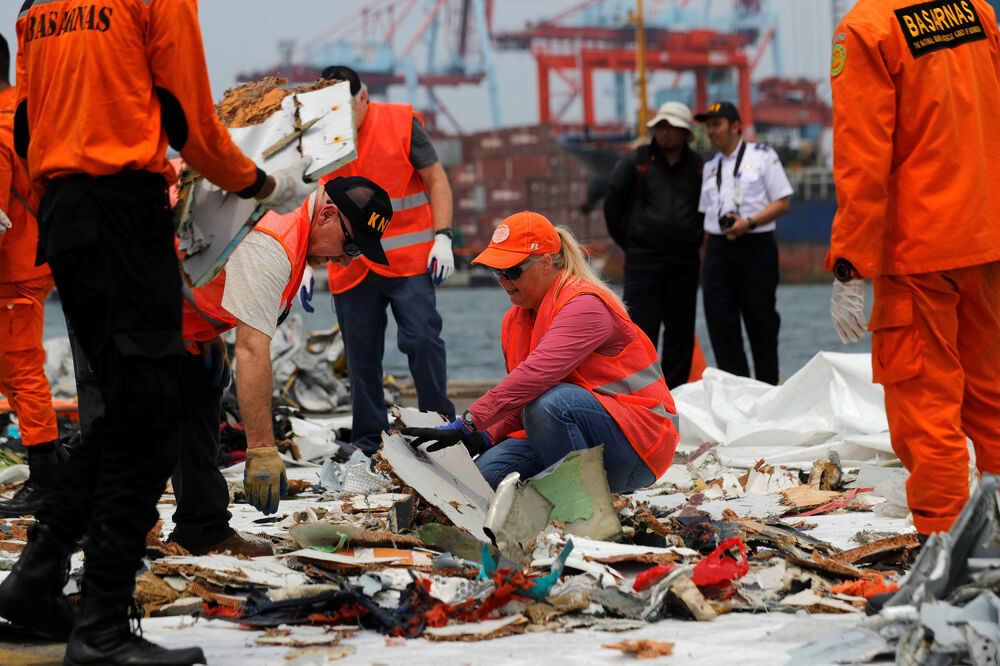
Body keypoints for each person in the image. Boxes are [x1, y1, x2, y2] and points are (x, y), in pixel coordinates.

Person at [0, 2, 315, 664]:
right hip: (121, 210)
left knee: (130, 411)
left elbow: (28, 125)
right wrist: (263, 183)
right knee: (151, 417)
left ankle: (34, 581)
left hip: (65, 215)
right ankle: (103, 626)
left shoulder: (40, 10)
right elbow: (194, 122)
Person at [67, 175, 393, 558]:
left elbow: (197, 259)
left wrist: (206, 332)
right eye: (350, 245)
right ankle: (104, 532)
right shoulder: (273, 239)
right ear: (327, 214)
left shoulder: (290, 218)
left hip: (162, 296)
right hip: (111, 282)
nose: (343, 259)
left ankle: (202, 530)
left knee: (198, 391)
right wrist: (262, 450)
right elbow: (253, 350)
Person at [827, 0, 1000, 541]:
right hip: (987, 235)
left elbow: (863, 153)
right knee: (993, 397)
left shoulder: (866, 28)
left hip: (919, 251)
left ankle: (945, 550)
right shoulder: (977, 12)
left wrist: (851, 265)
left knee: (927, 412)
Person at [402, 211, 678, 493]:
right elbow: (522, 398)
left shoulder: (585, 306)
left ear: (546, 263)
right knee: (484, 481)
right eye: (497, 272)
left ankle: (588, 512)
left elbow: (534, 379)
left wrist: (467, 423)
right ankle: (569, 497)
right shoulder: (514, 321)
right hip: (579, 429)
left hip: (642, 444)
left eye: (512, 271)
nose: (503, 281)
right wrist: (483, 437)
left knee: (551, 404)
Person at [320, 65, 456, 456]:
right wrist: (300, 261)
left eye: (346, 108)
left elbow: (437, 181)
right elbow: (308, 197)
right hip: (349, 262)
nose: (341, 119)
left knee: (422, 339)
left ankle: (440, 428)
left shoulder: (401, 123)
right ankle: (369, 443)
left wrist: (443, 237)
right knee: (361, 357)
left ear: (363, 97)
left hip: (408, 259)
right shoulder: (320, 136)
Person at [0, 34, 66, 518]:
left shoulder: (0, 124)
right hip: (34, 260)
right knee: (16, 369)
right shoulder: (28, 107)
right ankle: (53, 464)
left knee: (22, 370)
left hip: (14, 270)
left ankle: (46, 475)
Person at [604, 101, 704, 389]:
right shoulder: (637, 161)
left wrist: (693, 239)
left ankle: (674, 396)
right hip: (643, 264)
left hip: (684, 265)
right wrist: (633, 244)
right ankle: (640, 395)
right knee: (638, 333)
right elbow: (613, 203)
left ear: (685, 132)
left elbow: (707, 209)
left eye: (672, 128)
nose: (665, 133)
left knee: (680, 334)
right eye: (661, 126)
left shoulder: (698, 167)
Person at [695, 101, 792, 385]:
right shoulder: (710, 167)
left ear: (735, 126)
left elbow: (783, 202)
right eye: (708, 126)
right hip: (718, 250)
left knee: (761, 323)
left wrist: (748, 223)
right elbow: (705, 215)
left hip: (755, 244)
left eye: (716, 125)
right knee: (720, 324)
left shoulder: (763, 156)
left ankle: (767, 390)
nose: (711, 131)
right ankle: (737, 395)